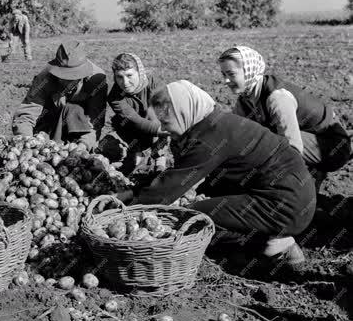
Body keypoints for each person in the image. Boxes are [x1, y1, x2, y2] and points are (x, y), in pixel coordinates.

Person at [125, 80, 315, 265]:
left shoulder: (208, 138)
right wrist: (133, 193)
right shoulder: (211, 122)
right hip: (288, 192)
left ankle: (270, 243)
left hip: (286, 204)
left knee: (193, 217)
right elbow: (177, 174)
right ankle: (267, 236)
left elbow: (170, 186)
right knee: (208, 199)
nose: (164, 129)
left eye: (166, 122)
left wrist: (128, 210)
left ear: (183, 112)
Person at [218, 46, 351, 187]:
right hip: (309, 145)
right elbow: (237, 136)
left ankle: (303, 183)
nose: (226, 81)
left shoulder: (277, 98)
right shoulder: (245, 100)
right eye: (223, 75)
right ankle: (312, 173)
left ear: (249, 71)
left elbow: (293, 148)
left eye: (231, 74)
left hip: (333, 147)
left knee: (270, 141)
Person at [12, 41, 107, 149]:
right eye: (64, 77)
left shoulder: (96, 79)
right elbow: (27, 112)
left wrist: (84, 145)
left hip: (82, 126)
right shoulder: (45, 78)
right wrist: (27, 140)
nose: (68, 81)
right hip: (50, 120)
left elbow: (95, 120)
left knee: (74, 109)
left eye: (73, 77)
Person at [107, 53, 168, 173]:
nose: (125, 82)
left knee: (158, 116)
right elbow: (137, 122)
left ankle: (160, 155)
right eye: (119, 77)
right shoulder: (115, 97)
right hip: (132, 131)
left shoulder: (154, 84)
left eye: (129, 75)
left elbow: (164, 113)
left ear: (139, 72)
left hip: (157, 129)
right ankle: (136, 153)